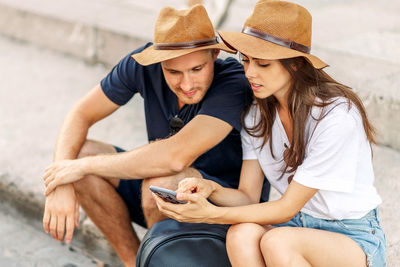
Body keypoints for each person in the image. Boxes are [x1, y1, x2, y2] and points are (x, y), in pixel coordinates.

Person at [150, 1, 387, 266]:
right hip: (297, 224)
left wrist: (208, 215)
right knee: (242, 233)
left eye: (263, 64)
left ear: (295, 64)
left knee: (278, 241)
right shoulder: (258, 112)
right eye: (247, 60)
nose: (250, 73)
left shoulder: (335, 116)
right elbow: (247, 197)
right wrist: (210, 190)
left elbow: (287, 207)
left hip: (352, 234)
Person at [41, 4, 270, 266]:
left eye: (197, 69)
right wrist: (60, 178)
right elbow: (80, 114)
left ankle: (156, 258)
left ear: (214, 54)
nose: (186, 84)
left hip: (222, 205)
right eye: (173, 72)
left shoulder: (234, 82)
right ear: (158, 62)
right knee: (82, 153)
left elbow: (174, 158)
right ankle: (134, 262)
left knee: (158, 180)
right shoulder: (141, 65)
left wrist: (77, 168)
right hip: (158, 197)